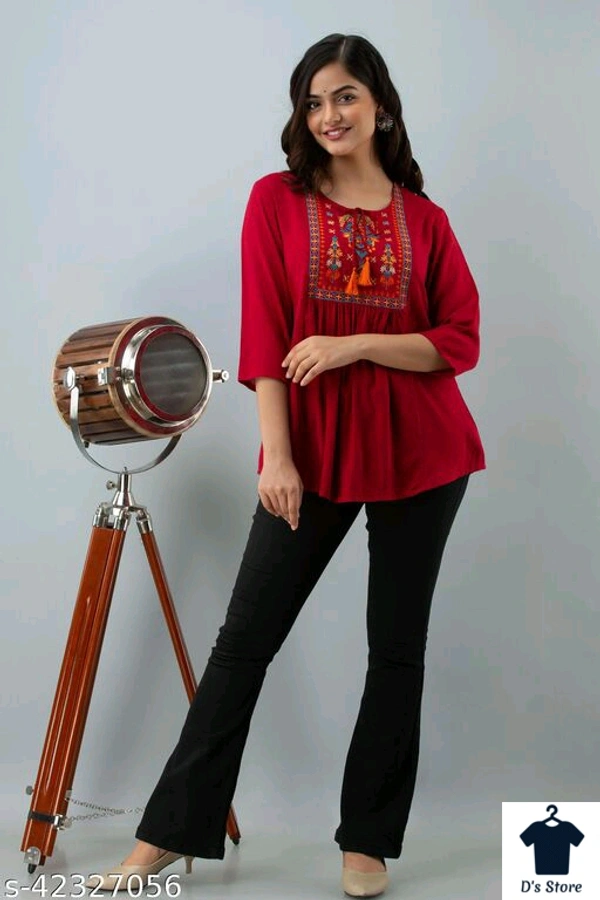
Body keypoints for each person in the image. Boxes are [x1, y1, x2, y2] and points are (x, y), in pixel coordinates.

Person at [89, 32, 484, 898]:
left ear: (380, 106)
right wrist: (280, 457)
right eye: (313, 102)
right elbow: (266, 337)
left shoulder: (426, 221)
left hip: (425, 453)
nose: (328, 115)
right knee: (243, 644)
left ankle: (367, 843)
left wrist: (354, 345)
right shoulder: (276, 201)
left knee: (397, 652)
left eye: (344, 96)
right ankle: (166, 835)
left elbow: (459, 341)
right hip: (312, 452)